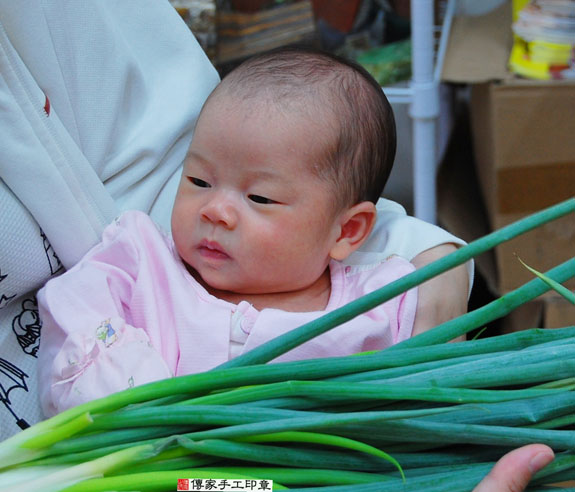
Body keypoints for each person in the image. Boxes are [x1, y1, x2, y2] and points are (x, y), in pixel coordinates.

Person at [36, 46, 470, 416]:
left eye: (259, 198)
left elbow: (435, 394)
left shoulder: (379, 308)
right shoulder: (141, 265)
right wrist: (141, 403)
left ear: (347, 231)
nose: (215, 210)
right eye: (198, 181)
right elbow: (71, 306)